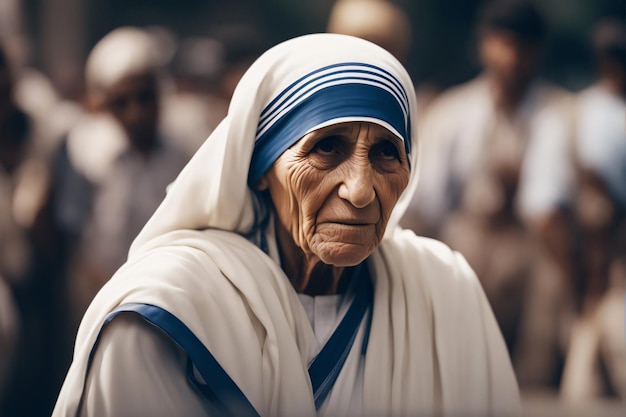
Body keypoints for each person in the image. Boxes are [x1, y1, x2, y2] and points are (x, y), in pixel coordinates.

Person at [53, 33, 520, 417]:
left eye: (385, 153)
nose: (360, 189)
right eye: (327, 148)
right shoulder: (167, 314)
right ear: (260, 166)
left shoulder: (444, 291)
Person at [401, 0, 576, 388]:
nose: (511, 57)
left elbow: (548, 207)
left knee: (544, 306)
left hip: (532, 245)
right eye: (502, 44)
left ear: (538, 52)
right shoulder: (453, 112)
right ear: (484, 45)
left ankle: (535, 387)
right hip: (471, 239)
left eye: (522, 47)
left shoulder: (559, 113)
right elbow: (427, 205)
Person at [52, 27, 189, 317]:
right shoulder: (83, 151)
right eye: (121, 102)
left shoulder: (181, 151)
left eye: (144, 98)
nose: (136, 113)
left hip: (167, 299)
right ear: (102, 103)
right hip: (98, 299)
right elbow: (74, 241)